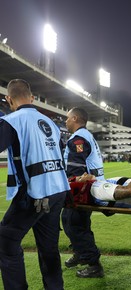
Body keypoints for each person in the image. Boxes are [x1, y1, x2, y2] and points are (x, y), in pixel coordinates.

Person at [0, 79, 70, 290]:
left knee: (6, 244)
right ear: (32, 98)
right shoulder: (51, 124)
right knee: (48, 247)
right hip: (58, 189)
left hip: (35, 193)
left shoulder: (12, 120)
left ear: (8, 99)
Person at [61, 107, 105, 278]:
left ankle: (94, 264)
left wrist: (72, 187)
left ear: (75, 118)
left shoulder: (79, 138)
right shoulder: (85, 135)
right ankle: (81, 253)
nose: (65, 121)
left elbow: (76, 169)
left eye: (67, 118)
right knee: (68, 220)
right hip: (90, 187)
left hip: (83, 189)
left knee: (75, 224)